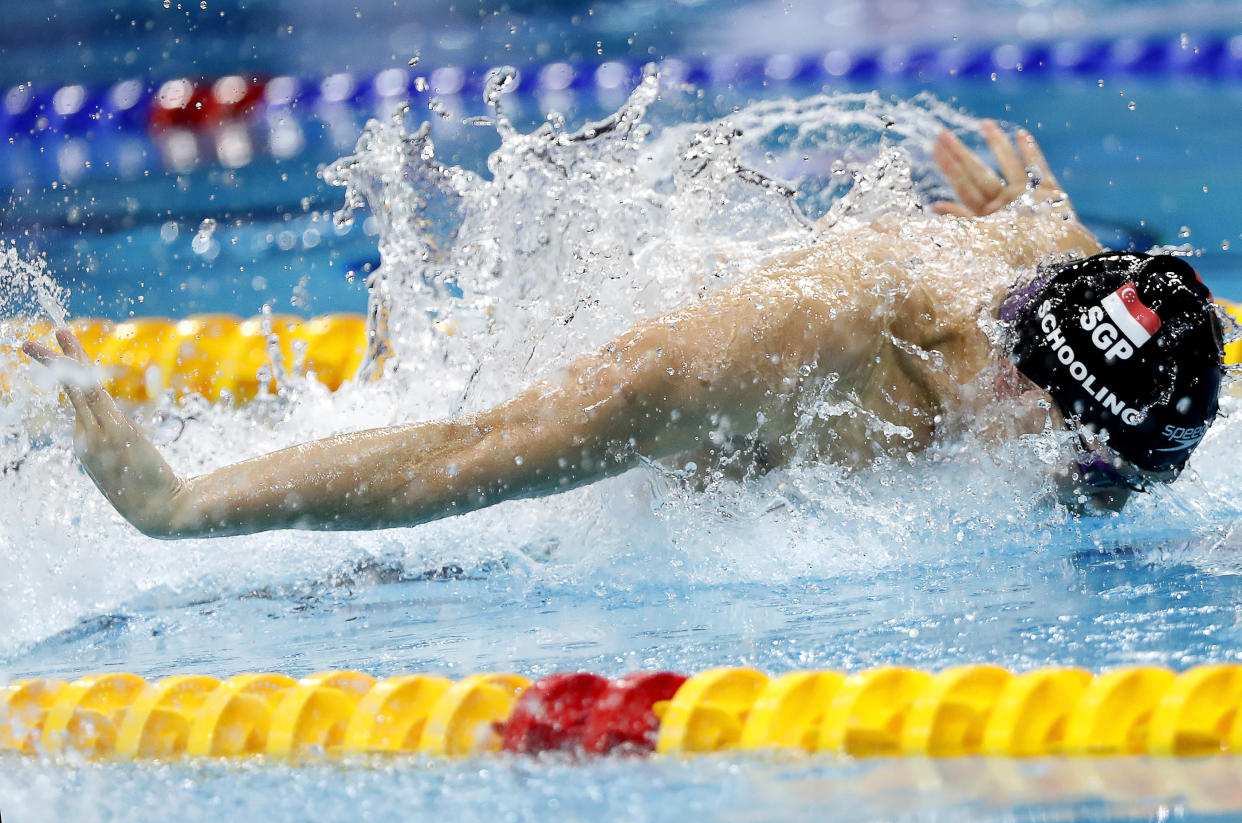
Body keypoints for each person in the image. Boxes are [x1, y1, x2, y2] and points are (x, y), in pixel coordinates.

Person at [23, 121, 1224, 538]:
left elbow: (1056, 231)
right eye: (1084, 466)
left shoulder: (1058, 290)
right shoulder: (778, 351)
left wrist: (1036, 217)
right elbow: (474, 451)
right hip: (570, 463)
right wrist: (172, 507)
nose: (1082, 491)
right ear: (1026, 390)